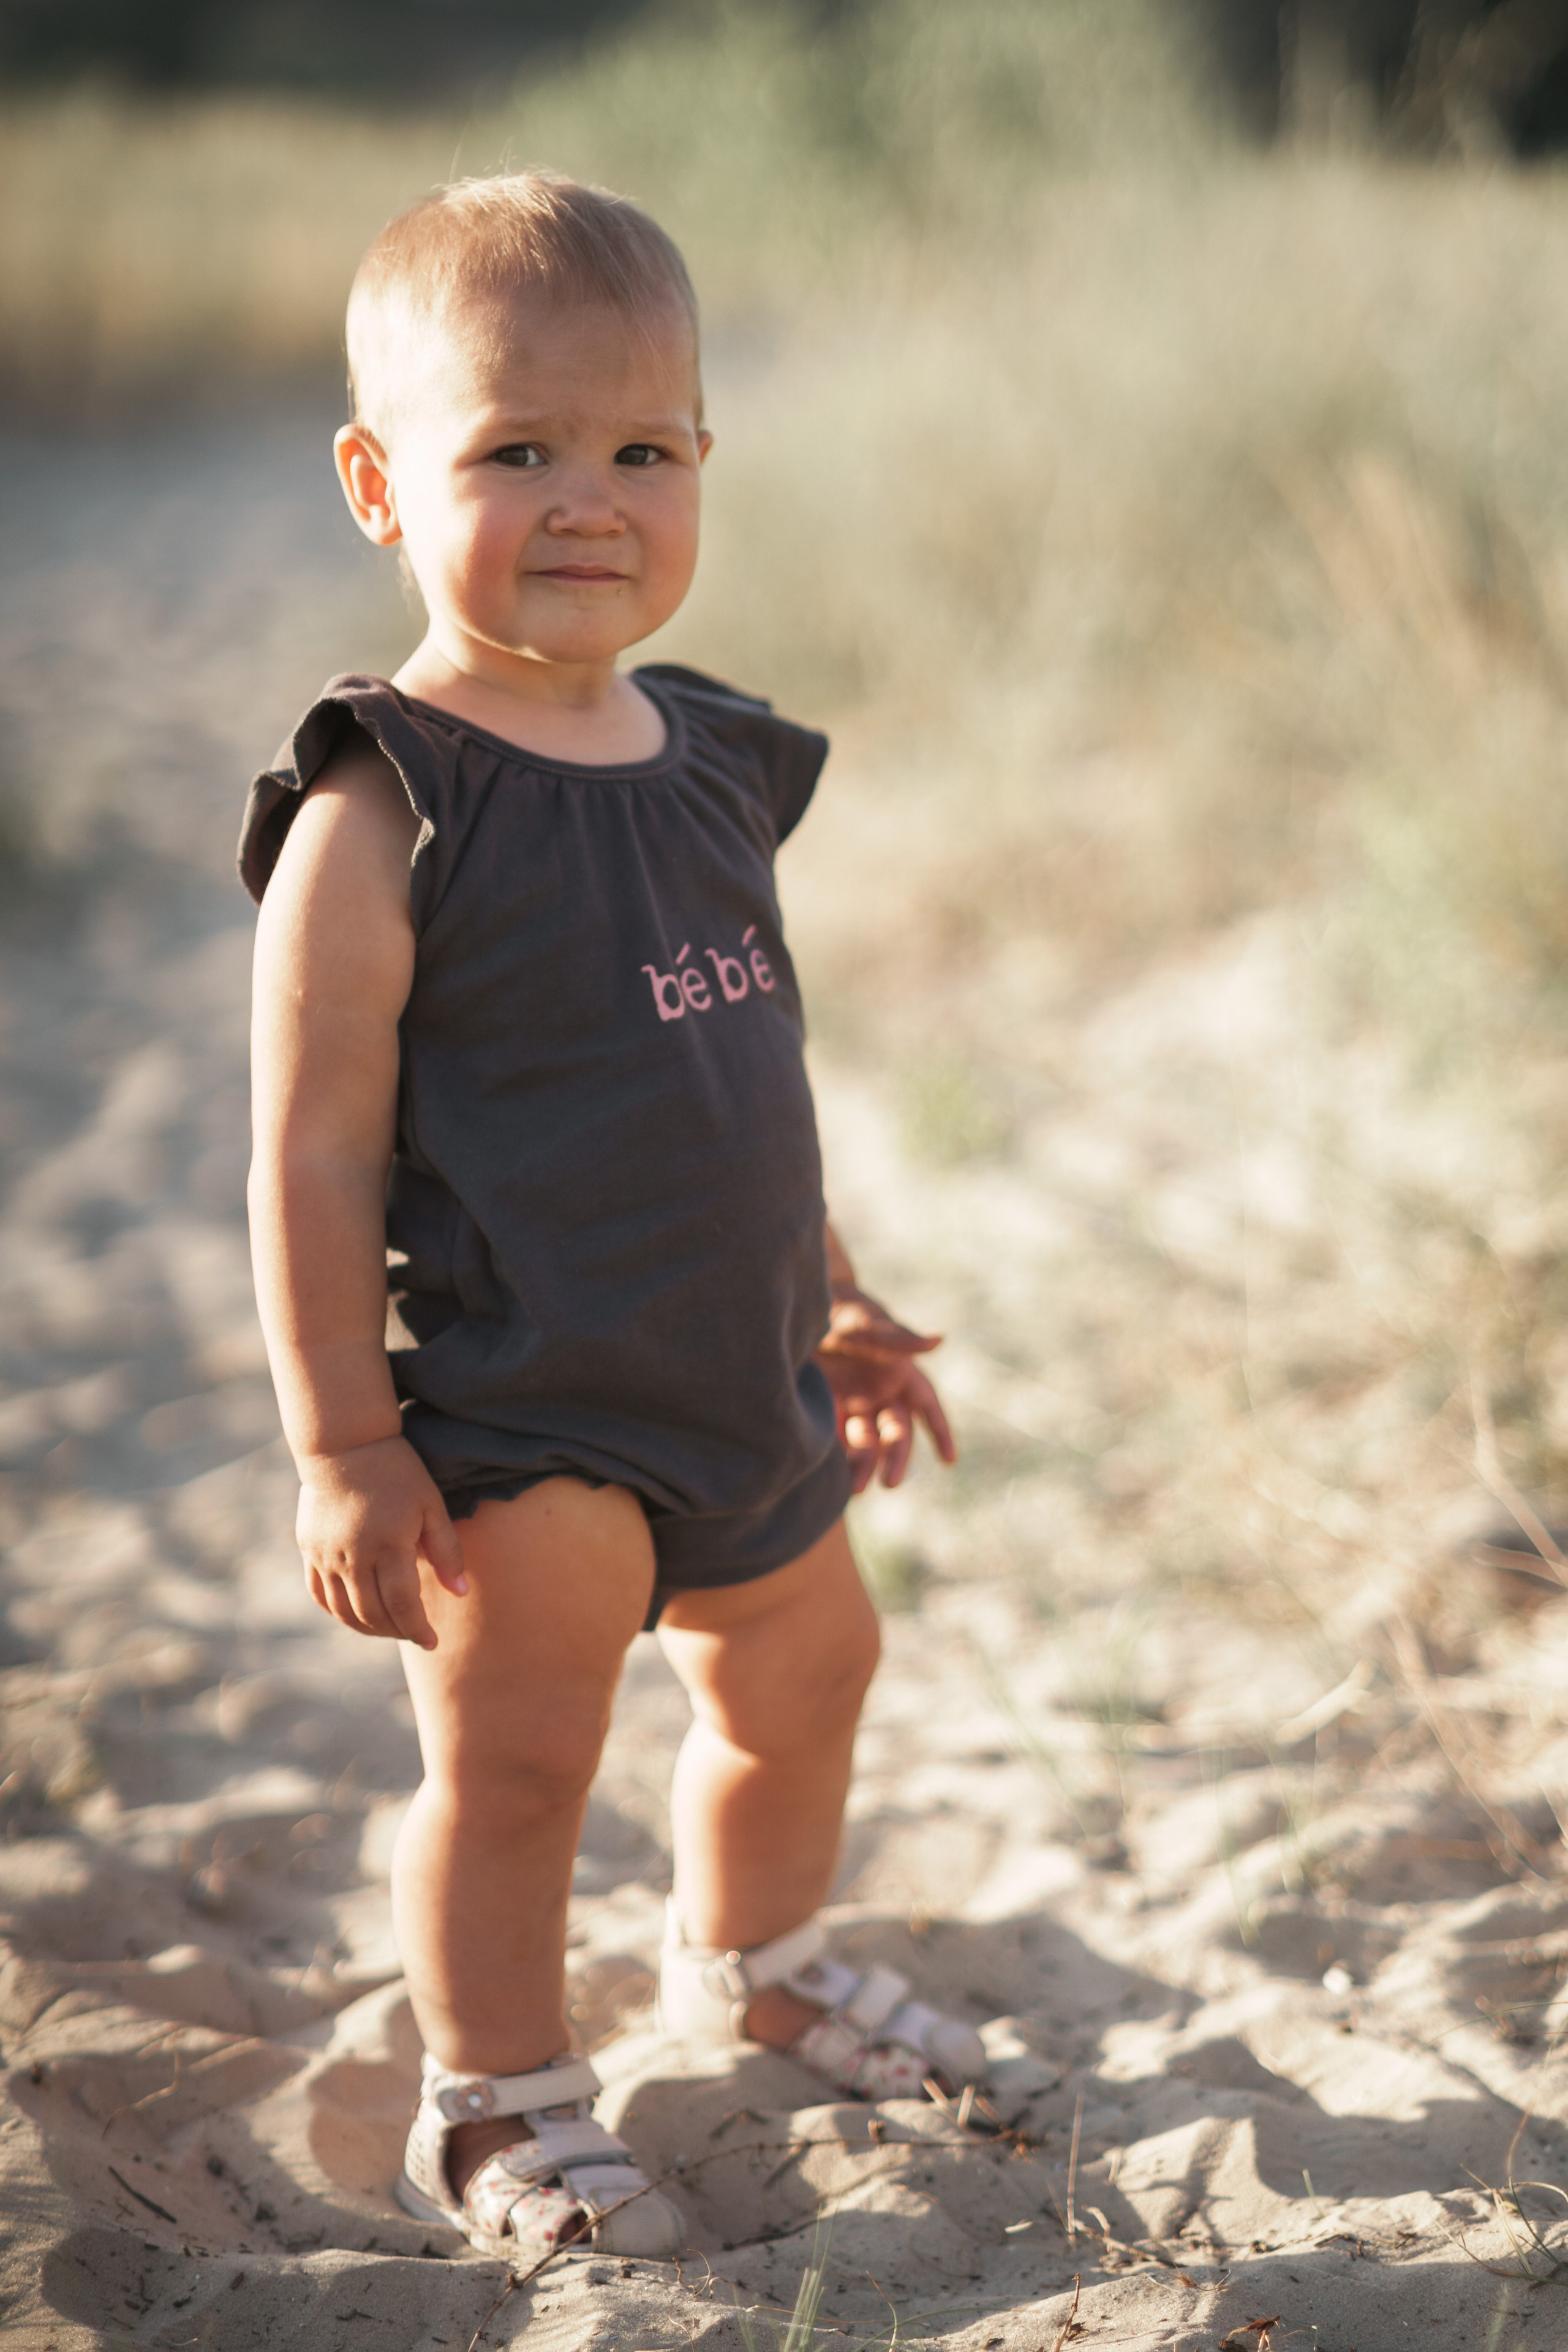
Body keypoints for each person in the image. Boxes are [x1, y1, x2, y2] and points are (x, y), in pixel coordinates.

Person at [241, 170, 978, 2263]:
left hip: (735, 1364)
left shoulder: (715, 756)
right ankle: (490, 2103)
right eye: (518, 451)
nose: (591, 500)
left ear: (702, 469)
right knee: (524, 1752)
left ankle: (749, 1962)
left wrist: (830, 1297)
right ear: (382, 483)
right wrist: (347, 1443)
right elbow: (305, 1150)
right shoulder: (382, 809)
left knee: (811, 1669)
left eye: (641, 450)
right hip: (522, 1394)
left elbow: (739, 1071)